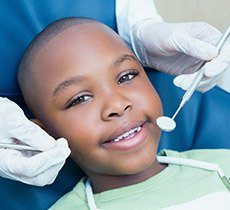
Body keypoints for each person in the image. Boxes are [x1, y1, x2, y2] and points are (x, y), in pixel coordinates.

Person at [1, 0, 230, 186]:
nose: (117, 106)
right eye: (80, 99)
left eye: (126, 76)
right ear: (42, 132)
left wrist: (139, 23)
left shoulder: (223, 167)